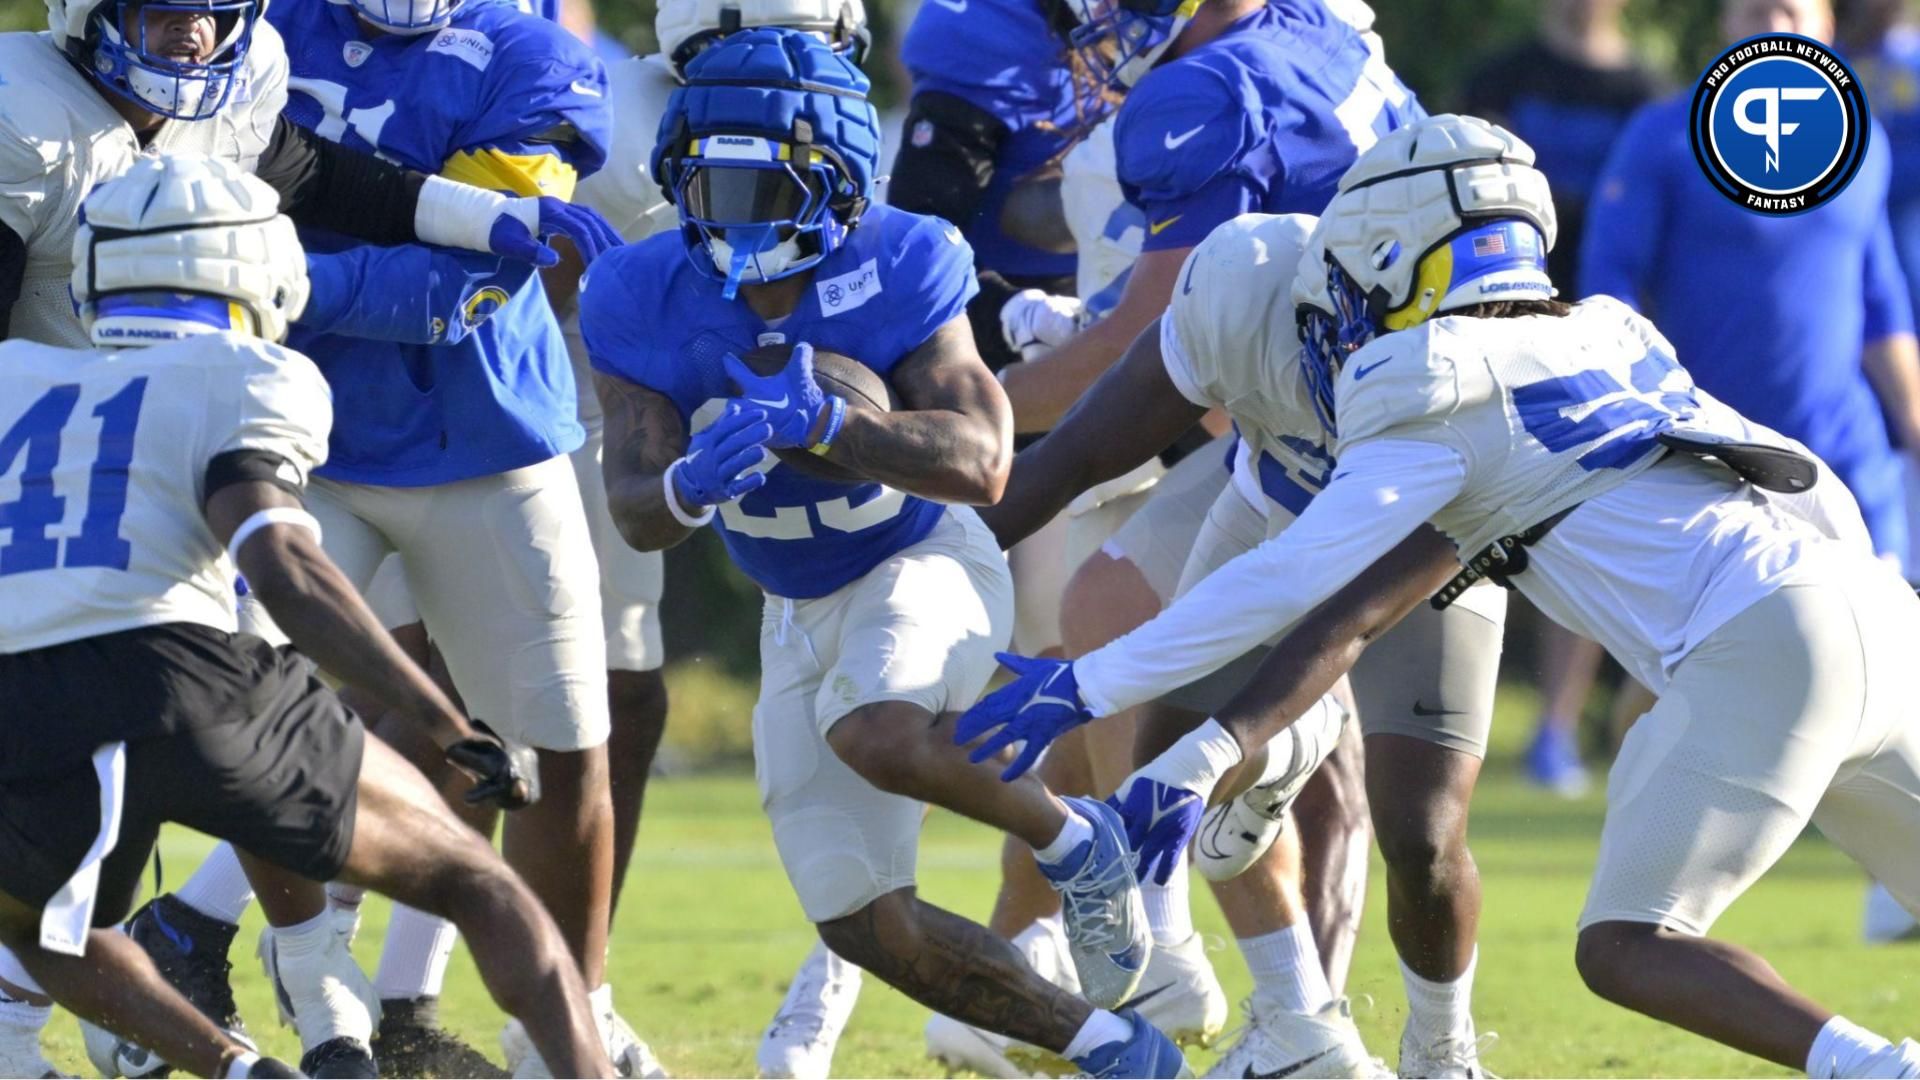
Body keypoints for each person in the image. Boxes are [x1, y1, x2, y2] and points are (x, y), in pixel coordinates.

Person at [971, 111, 1920, 1079]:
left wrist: (1085, 686)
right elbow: (1812, 486)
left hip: (1759, 645)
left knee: (1629, 945)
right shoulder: (1608, 330)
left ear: (1394, 259)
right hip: (1874, 604)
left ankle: (1876, 1068)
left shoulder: (1425, 373)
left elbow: (1296, 580)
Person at [583, 27, 1186, 1079]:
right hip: (793, 606)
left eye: (761, 192)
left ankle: (1076, 841)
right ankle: (1113, 1048)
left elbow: (985, 460)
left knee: (877, 730)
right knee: (861, 921)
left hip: (919, 556)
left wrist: (836, 432)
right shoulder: (636, 287)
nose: (729, 219)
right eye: (707, 187)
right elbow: (636, 510)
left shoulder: (901, 255)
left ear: (837, 181)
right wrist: (683, 484)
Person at [0, 152, 616, 1080]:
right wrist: (447, 726)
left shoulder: (14, 373)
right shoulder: (247, 374)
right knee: (478, 881)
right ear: (259, 265)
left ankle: (238, 1070)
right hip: (187, 676)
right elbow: (284, 567)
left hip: (21, 699)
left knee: (50, 931)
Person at [121, 0, 634, 1073]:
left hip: (483, 438)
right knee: (230, 716)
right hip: (290, 432)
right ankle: (303, 982)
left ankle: (568, 1023)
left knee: (559, 740)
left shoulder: (532, 56)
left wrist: (265, 284)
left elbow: (470, 282)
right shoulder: (251, 26)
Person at [548, 0, 874, 1074]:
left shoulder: (645, 100)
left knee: (600, 711)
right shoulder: (625, 119)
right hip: (585, 435)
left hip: (691, 444)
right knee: (554, 717)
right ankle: (554, 997)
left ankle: (561, 994)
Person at [1583, 0, 1920, 572]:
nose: (1774, 29)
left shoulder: (1862, 145)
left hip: (1846, 461)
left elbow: (1878, 298)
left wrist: (1914, 426)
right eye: (1755, 13)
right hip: (1710, 458)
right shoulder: (1664, 135)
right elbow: (1610, 281)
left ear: (1827, 28)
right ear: (1726, 25)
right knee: (1683, 656)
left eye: (1790, 13)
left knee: (1881, 652)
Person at [1461, 0, 1666, 798]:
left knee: (1581, 534)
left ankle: (1556, 730)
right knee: (1467, 522)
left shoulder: (1648, 96)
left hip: (1596, 346)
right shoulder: (1502, 79)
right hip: (1490, 337)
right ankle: (1445, 723)